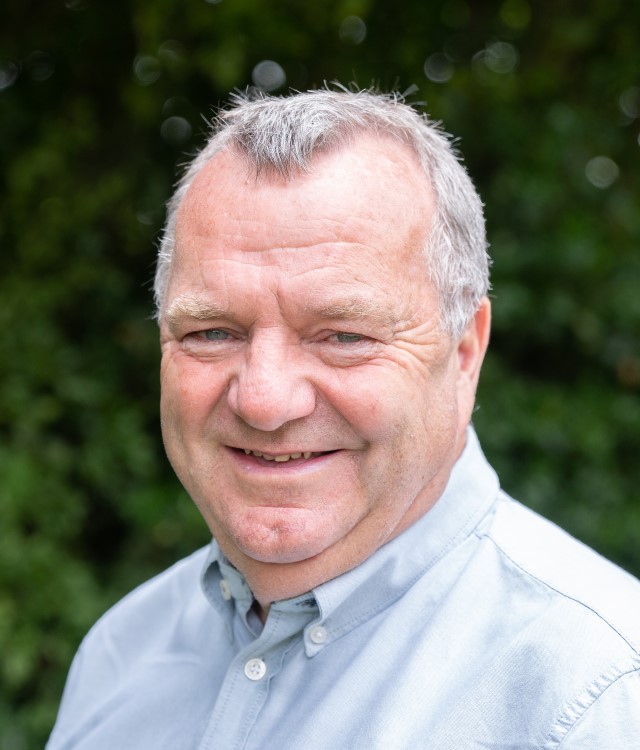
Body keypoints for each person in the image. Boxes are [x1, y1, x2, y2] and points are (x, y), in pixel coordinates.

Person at [47, 88, 640, 750]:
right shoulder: (120, 653)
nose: (265, 402)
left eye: (344, 335)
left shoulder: (595, 700)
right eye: (212, 332)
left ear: (465, 351)